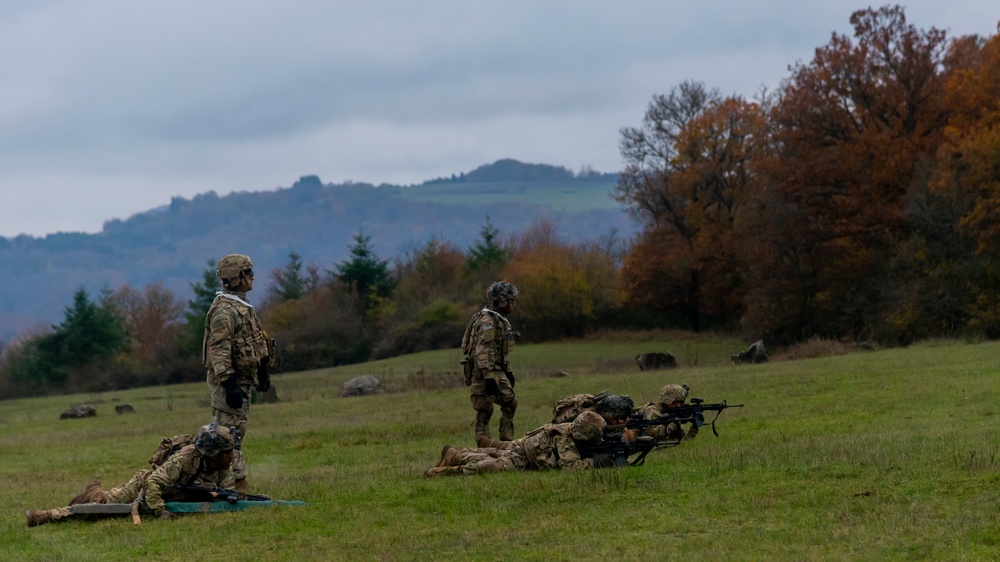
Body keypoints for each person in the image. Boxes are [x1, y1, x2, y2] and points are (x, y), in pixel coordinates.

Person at [26, 423, 236, 527]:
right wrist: (161, 512)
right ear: (212, 452)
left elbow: (227, 493)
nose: (231, 458)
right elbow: (153, 483)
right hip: (143, 485)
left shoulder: (223, 467)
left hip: (173, 494)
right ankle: (45, 515)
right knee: (102, 509)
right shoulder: (184, 460)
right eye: (226, 453)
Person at [203, 253, 274, 492]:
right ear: (236, 278)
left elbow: (253, 342)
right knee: (226, 435)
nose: (253, 277)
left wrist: (263, 372)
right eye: (248, 273)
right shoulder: (224, 311)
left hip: (243, 380)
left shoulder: (242, 306)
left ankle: (226, 482)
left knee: (236, 432)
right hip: (230, 384)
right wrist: (228, 382)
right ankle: (236, 483)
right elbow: (219, 349)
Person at [425, 411, 614, 477]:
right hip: (523, 455)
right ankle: (444, 469)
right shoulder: (565, 438)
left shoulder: (573, 429)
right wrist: (596, 462)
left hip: (524, 448)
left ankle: (456, 453)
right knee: (491, 466)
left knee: (495, 454)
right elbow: (571, 468)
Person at [461, 281, 519, 442]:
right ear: (500, 301)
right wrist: (488, 378)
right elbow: (483, 352)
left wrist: (508, 371)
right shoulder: (487, 322)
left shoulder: (499, 320)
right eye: (510, 301)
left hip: (497, 370)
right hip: (483, 372)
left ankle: (506, 442)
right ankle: (484, 444)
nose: (513, 305)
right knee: (485, 409)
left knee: (510, 403)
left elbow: (499, 351)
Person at [478, 392, 634, 449]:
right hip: (554, 436)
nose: (623, 421)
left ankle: (491, 445)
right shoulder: (588, 419)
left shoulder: (600, 417)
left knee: (519, 446)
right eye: (619, 418)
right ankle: (491, 445)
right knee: (521, 446)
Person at [624, 383, 699, 442]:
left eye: (681, 403)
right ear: (669, 401)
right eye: (677, 402)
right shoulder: (652, 410)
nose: (679, 406)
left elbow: (682, 442)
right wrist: (675, 423)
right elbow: (649, 433)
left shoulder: (673, 415)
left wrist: (694, 427)